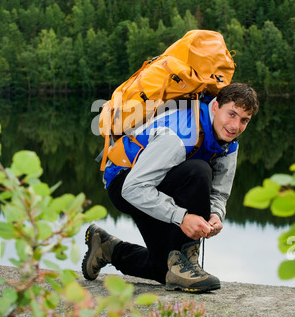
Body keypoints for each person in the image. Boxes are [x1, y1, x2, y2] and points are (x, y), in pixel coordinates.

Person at [82, 82, 259, 293]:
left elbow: (220, 192)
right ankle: (186, 261)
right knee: (199, 171)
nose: (236, 126)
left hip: (159, 182)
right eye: (231, 114)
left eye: (244, 120)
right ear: (214, 107)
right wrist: (181, 217)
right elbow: (132, 188)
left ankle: (107, 248)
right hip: (124, 182)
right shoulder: (178, 136)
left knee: (164, 270)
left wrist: (216, 215)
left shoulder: (230, 143)